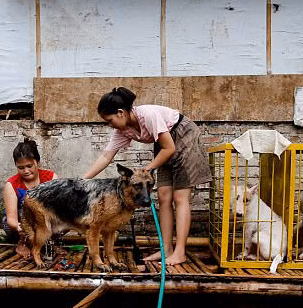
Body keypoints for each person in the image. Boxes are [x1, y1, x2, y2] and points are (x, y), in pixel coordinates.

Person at [82, 86, 209, 266]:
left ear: (120, 113)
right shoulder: (123, 130)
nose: (109, 125)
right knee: (164, 196)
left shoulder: (147, 115)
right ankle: (167, 249)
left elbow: (170, 148)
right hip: (163, 145)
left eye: (109, 121)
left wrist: (148, 168)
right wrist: (83, 179)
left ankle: (180, 252)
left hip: (183, 135)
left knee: (180, 197)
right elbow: (106, 156)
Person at [2, 138, 55, 257]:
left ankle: (49, 244)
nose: (26, 171)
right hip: (22, 223)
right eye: (21, 168)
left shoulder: (51, 178)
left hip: (44, 221)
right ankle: (23, 244)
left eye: (29, 166)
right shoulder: (11, 184)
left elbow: (57, 208)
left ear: (37, 161)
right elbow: (11, 219)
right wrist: (22, 228)